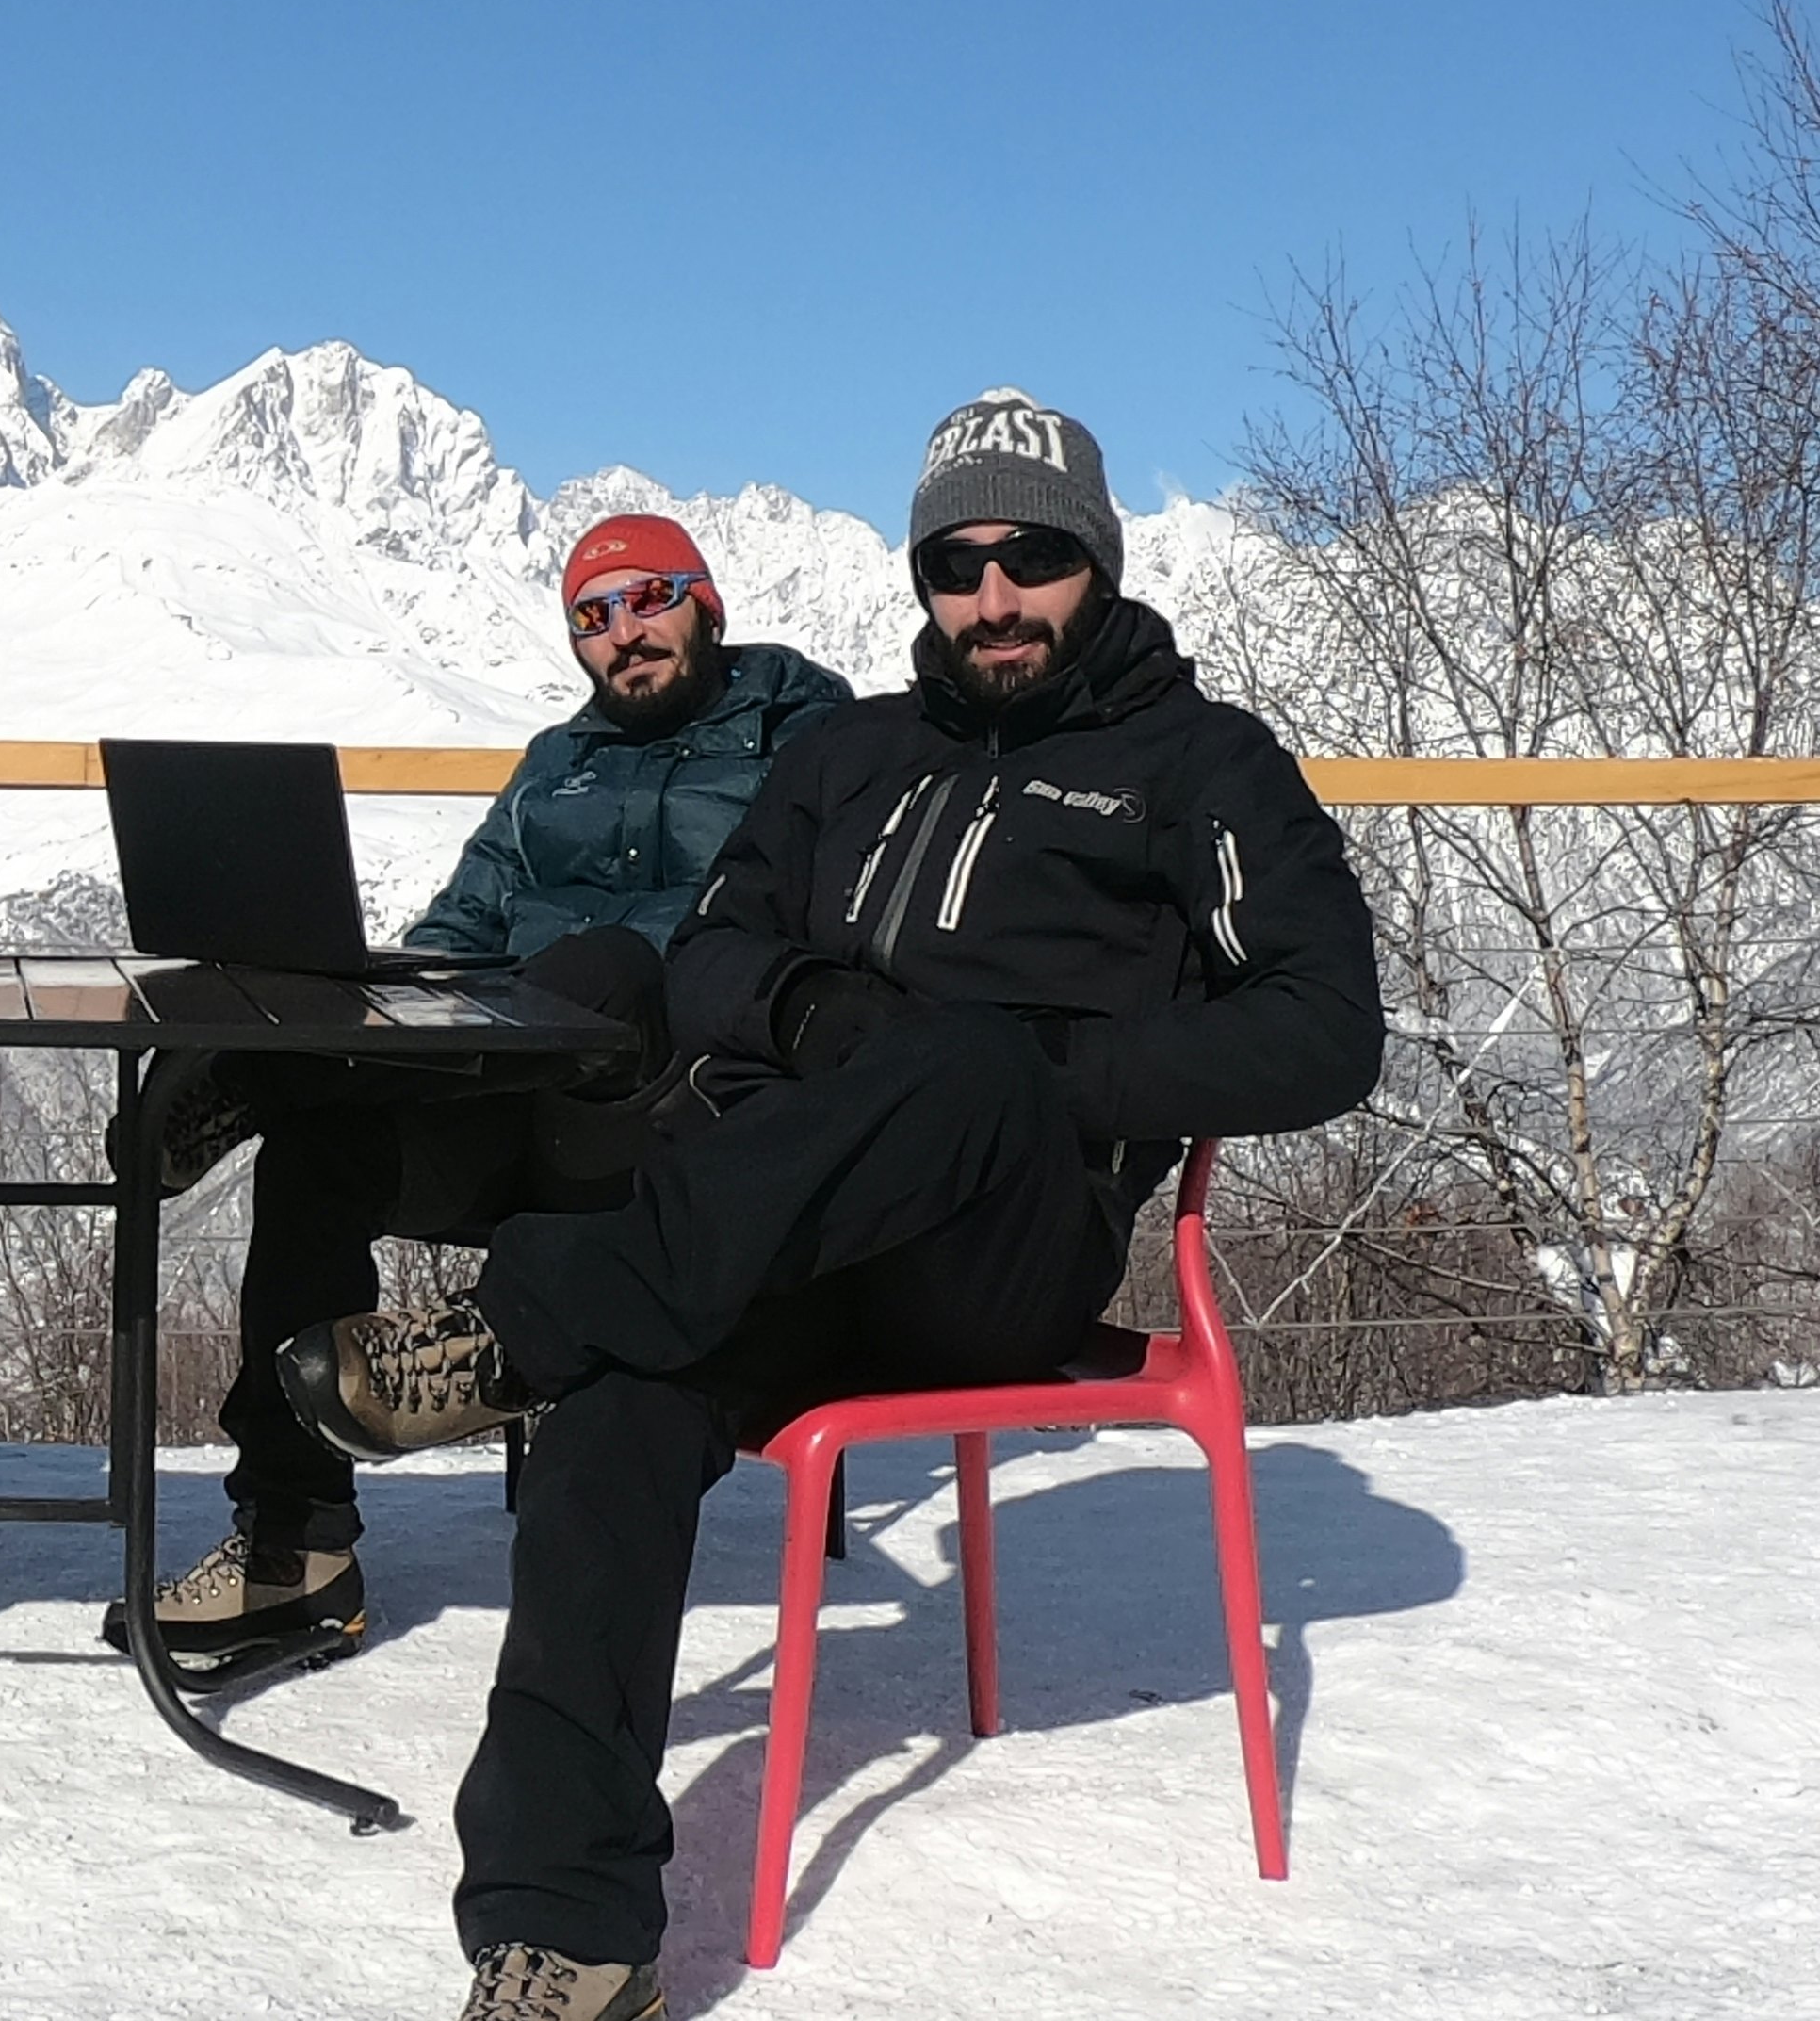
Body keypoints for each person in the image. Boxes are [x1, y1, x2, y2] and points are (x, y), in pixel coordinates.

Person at [276, 393, 1385, 2021]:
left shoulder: (1201, 767)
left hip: (1002, 1246)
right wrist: (813, 1013)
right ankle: (566, 1929)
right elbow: (710, 953)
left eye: (1032, 558)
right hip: (779, 1224)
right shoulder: (850, 752)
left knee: (972, 1061)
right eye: (955, 564)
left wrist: (1052, 1073)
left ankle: (521, 1321)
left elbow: (1326, 1026)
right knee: (625, 1400)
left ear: (1099, 559)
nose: (992, 598)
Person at [113, 513, 850, 1684]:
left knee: (610, 966)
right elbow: (463, 922)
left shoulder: (807, 738)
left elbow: (809, 922)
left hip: (682, 1116)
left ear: (705, 604)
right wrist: (387, 994)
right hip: (518, 1099)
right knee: (318, 1156)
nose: (623, 632)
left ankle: (253, 1071)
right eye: (591, 615)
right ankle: (294, 1548)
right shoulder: (557, 761)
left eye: (649, 599)